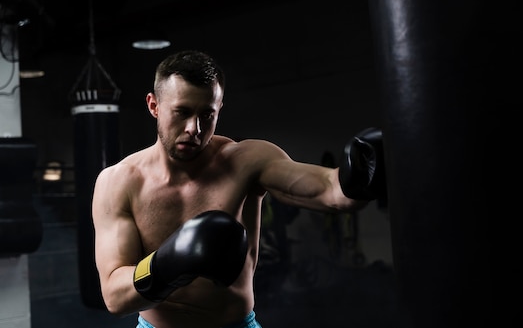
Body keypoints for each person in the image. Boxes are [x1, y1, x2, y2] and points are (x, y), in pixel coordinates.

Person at [92, 50, 385, 328]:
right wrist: (171, 262)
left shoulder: (247, 161)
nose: (194, 128)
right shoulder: (118, 182)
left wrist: (356, 176)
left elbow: (330, 191)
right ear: (153, 106)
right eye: (181, 112)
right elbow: (115, 297)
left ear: (219, 108)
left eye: (207, 114)